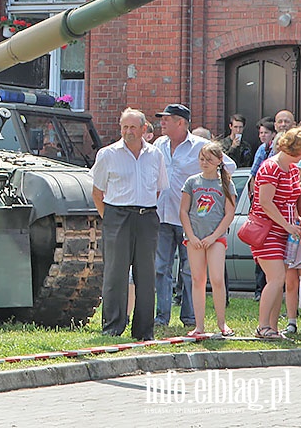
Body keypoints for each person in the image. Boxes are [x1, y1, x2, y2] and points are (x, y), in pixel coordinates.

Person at [152, 104, 236, 329]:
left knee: (190, 272)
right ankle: (162, 317)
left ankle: (190, 318)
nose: (162, 122)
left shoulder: (200, 146)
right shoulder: (158, 144)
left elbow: (230, 165)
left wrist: (208, 178)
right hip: (163, 214)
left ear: (180, 122)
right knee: (161, 268)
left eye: (166, 119)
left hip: (192, 220)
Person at [90, 108, 168, 340]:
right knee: (115, 274)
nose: (128, 132)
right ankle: (113, 327)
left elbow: (157, 189)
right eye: (125, 127)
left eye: (133, 127)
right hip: (117, 215)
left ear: (144, 129)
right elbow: (97, 192)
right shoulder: (107, 154)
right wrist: (111, 219)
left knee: (146, 275)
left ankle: (144, 330)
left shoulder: (155, 155)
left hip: (146, 216)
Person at [248, 126, 301, 339]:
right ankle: (263, 327)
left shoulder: (289, 169)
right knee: (277, 278)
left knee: (278, 280)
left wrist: (296, 221)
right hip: (267, 230)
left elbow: (289, 202)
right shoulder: (270, 167)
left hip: (284, 232)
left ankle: (272, 328)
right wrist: (288, 225)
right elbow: (265, 203)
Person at [179, 141, 236, 337]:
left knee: (217, 279)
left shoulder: (225, 184)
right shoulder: (192, 182)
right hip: (194, 238)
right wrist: (192, 236)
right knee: (197, 279)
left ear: (219, 161)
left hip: (216, 238)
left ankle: (222, 323)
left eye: (209, 160)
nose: (204, 162)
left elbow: (229, 213)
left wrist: (213, 237)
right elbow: (184, 212)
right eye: (202, 159)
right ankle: (199, 326)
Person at [250, 117, 277, 301]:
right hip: (263, 217)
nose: (262, 136)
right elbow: (253, 175)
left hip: (277, 218)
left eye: (265, 132)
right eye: (260, 133)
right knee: (263, 260)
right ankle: (259, 291)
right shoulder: (265, 157)